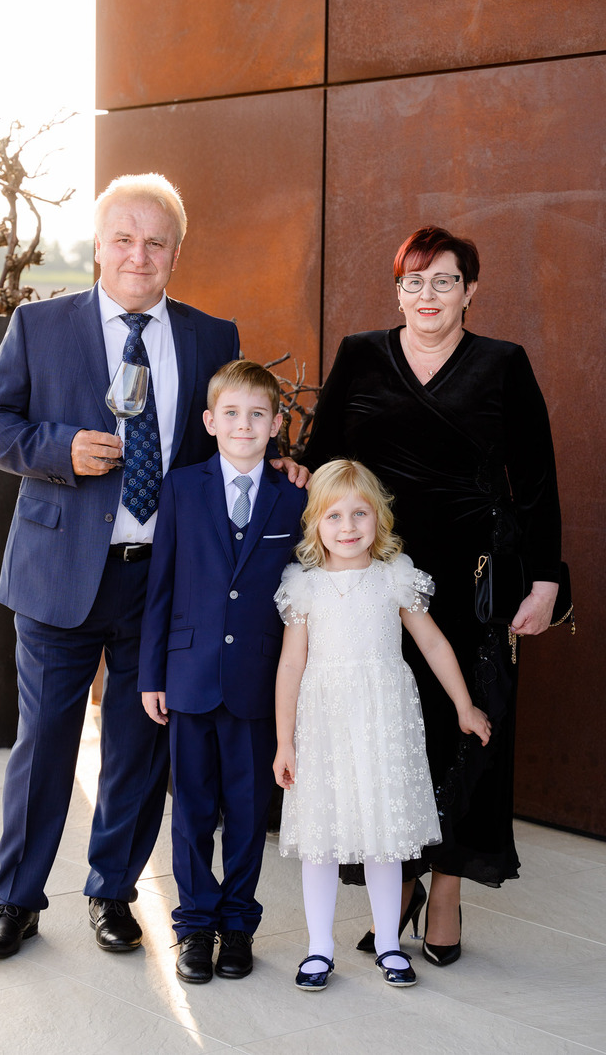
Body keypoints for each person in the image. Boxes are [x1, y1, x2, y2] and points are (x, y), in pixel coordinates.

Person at [0, 173, 278, 960]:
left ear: (176, 253)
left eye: (156, 242)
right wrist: (56, 450)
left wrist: (286, 472)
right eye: (124, 238)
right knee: (46, 747)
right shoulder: (39, 326)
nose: (140, 254)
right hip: (57, 572)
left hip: (165, 583)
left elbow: (227, 443)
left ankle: (112, 891)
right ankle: (17, 900)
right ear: (99, 246)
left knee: (141, 745)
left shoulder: (212, 337)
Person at [303, 226, 561, 966]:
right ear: (396, 291)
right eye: (412, 282)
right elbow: (323, 462)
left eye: (443, 281)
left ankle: (445, 888)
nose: (427, 296)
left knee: (471, 731)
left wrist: (545, 581)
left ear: (470, 290)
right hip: (375, 575)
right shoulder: (360, 354)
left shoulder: (503, 365)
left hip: (477, 581)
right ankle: (404, 878)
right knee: (394, 735)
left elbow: (536, 483)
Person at [272, 459, 490, 989]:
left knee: (383, 837)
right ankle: (319, 947)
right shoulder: (305, 587)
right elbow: (291, 665)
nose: (348, 527)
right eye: (334, 517)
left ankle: (389, 943)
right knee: (321, 836)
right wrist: (285, 742)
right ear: (315, 525)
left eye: (360, 514)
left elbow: (433, 643)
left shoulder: (394, 577)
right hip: (323, 724)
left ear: (379, 518)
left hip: (382, 721)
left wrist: (463, 704)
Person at [139, 360, 308, 983]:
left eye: (257, 415)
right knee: (190, 809)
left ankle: (238, 924)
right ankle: (195, 926)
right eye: (231, 414)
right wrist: (151, 673)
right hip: (187, 675)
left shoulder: (295, 496)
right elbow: (161, 585)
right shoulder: (181, 487)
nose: (244, 425)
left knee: (247, 808)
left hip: (259, 682)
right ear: (210, 421)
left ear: (276, 423)